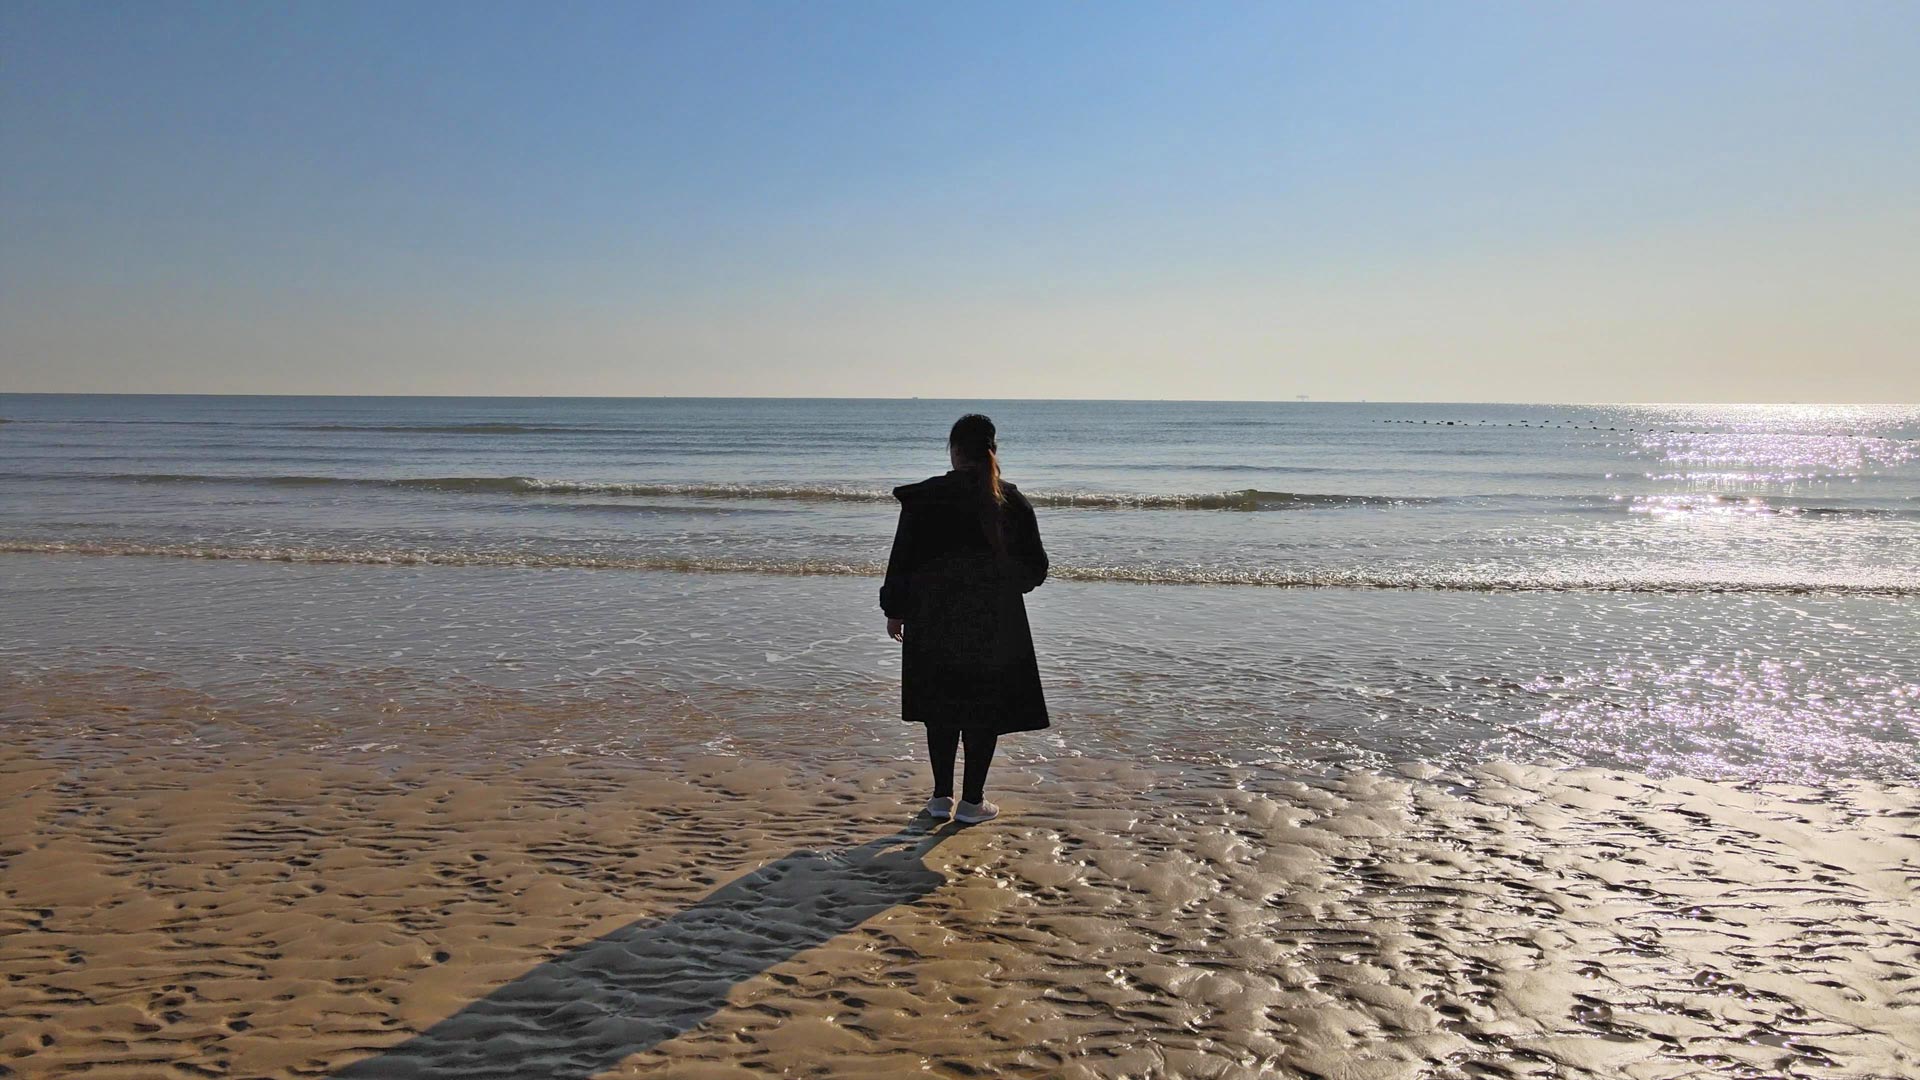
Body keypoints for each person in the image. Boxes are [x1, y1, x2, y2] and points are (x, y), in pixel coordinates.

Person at [880, 413, 1049, 824]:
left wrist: (895, 609)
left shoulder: (926, 498)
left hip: (932, 618)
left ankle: (941, 799)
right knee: (982, 709)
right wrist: (1007, 587)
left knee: (941, 707)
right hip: (994, 622)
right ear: (993, 450)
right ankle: (972, 802)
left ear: (954, 451)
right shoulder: (1009, 499)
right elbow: (1036, 568)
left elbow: (902, 559)